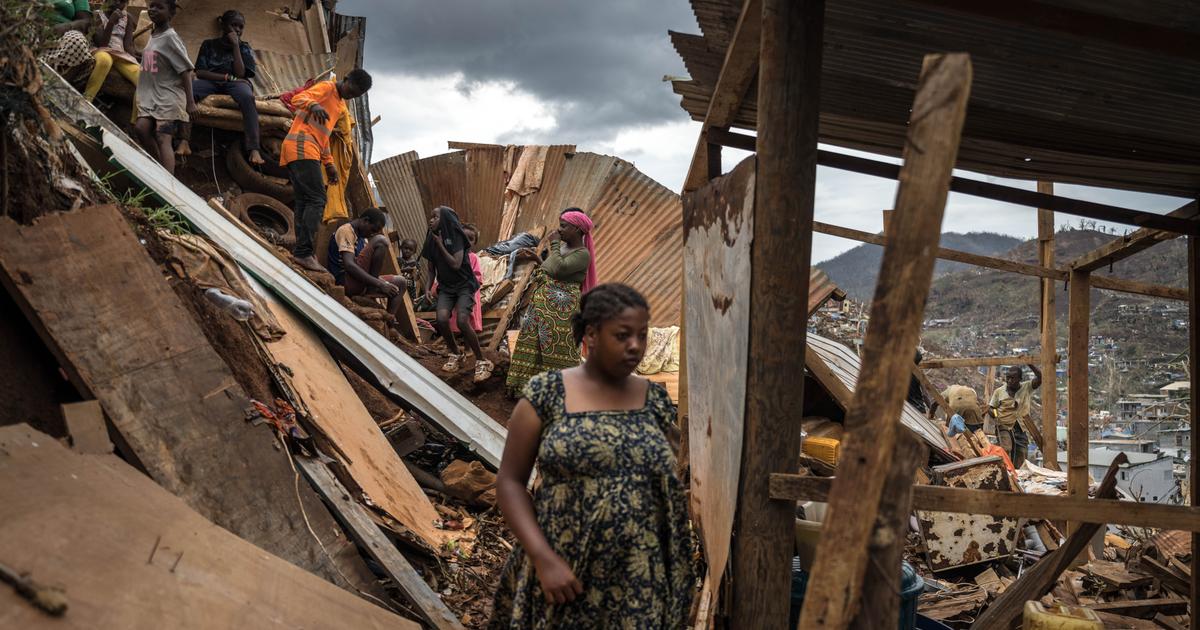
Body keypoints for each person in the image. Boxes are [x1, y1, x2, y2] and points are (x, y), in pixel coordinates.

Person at [490, 283, 694, 629]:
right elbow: (509, 482)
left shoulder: (655, 402)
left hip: (637, 576)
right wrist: (542, 557)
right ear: (592, 334)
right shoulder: (547, 394)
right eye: (622, 335)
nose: (635, 346)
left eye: (642, 336)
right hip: (564, 569)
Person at [281, 68, 373, 273]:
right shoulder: (326, 88)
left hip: (307, 149)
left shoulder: (340, 106)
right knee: (317, 199)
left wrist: (330, 164)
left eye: (357, 95)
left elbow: (323, 136)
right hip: (301, 146)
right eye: (352, 89)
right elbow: (297, 99)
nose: (352, 95)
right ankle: (304, 253)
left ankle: (301, 251)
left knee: (305, 200)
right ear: (346, 78)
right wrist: (313, 105)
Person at [505, 208, 596, 396]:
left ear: (578, 229)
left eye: (564, 226)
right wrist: (539, 260)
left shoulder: (582, 254)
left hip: (560, 311)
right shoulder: (563, 249)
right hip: (541, 307)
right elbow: (551, 268)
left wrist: (553, 244)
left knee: (557, 350)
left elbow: (558, 269)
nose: (559, 230)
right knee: (532, 347)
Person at [422, 206, 492, 382]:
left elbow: (455, 264)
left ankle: (482, 361)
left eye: (435, 217)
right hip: (446, 287)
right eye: (431, 217)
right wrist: (427, 288)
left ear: (445, 219)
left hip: (464, 286)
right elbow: (431, 269)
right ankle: (456, 353)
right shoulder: (431, 238)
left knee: (462, 320)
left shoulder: (457, 238)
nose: (431, 220)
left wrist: (440, 244)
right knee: (442, 319)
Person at [133, 0, 196, 175]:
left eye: (159, 7)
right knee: (141, 129)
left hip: (168, 97)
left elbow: (185, 70)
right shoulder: (154, 34)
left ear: (171, 14)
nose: (153, 9)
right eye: (152, 5)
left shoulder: (170, 38)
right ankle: (159, 167)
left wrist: (190, 103)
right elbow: (153, 62)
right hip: (152, 97)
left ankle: (167, 181)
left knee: (163, 138)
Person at [192, 10, 263, 165]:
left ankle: (254, 149)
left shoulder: (244, 47)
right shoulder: (209, 44)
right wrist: (224, 77)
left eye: (241, 27)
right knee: (189, 91)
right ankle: (183, 139)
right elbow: (200, 72)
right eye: (233, 25)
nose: (237, 29)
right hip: (212, 81)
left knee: (247, 97)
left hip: (236, 84)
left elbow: (240, 73)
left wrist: (236, 46)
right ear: (223, 25)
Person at [326, 208, 409, 324]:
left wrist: (382, 283)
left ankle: (388, 322)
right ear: (365, 220)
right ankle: (372, 290)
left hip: (358, 281)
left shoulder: (362, 239)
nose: (372, 233)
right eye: (373, 229)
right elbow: (349, 265)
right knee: (381, 240)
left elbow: (360, 266)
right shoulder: (346, 230)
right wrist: (379, 284)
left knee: (401, 282)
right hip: (344, 280)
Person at [84, 0, 139, 103]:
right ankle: (86, 100)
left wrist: (135, 60)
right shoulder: (97, 15)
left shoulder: (127, 18)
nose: (118, 3)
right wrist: (111, 23)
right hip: (101, 50)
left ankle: (136, 118)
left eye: (122, 1)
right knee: (105, 61)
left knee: (142, 78)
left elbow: (128, 45)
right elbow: (102, 44)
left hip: (121, 54)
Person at [988, 364, 1042, 468]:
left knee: (1021, 454)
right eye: (1008, 378)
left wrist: (1030, 363)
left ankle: (1018, 477)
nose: (1009, 381)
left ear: (1020, 379)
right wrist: (996, 415)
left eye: (1013, 378)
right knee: (1006, 449)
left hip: (1021, 427)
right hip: (1004, 426)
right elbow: (991, 408)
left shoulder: (1027, 387)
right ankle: (1005, 473)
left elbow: (1040, 378)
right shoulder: (999, 392)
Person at [41, 0, 93, 76]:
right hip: (34, 25)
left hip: (63, 34)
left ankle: (52, 78)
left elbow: (85, 20)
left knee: (77, 42)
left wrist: (66, 27)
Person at [398, 238, 425, 302]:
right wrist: (404, 270)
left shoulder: (416, 264)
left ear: (414, 251)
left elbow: (416, 278)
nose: (407, 251)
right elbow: (395, 271)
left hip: (410, 289)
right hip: (399, 287)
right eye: (406, 248)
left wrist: (417, 274)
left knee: (409, 302)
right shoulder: (398, 260)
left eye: (410, 249)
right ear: (401, 248)